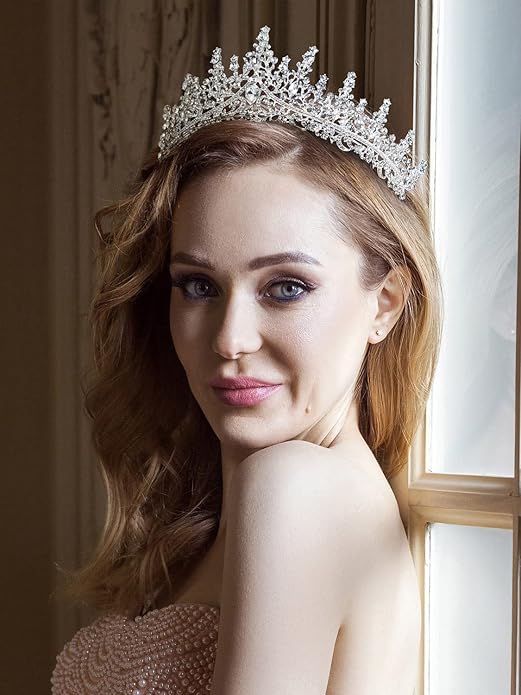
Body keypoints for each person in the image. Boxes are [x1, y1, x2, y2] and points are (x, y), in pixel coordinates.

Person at [51, 25, 443, 695]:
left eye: (285, 288)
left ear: (385, 302)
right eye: (198, 286)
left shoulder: (294, 487)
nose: (230, 339)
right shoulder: (222, 515)